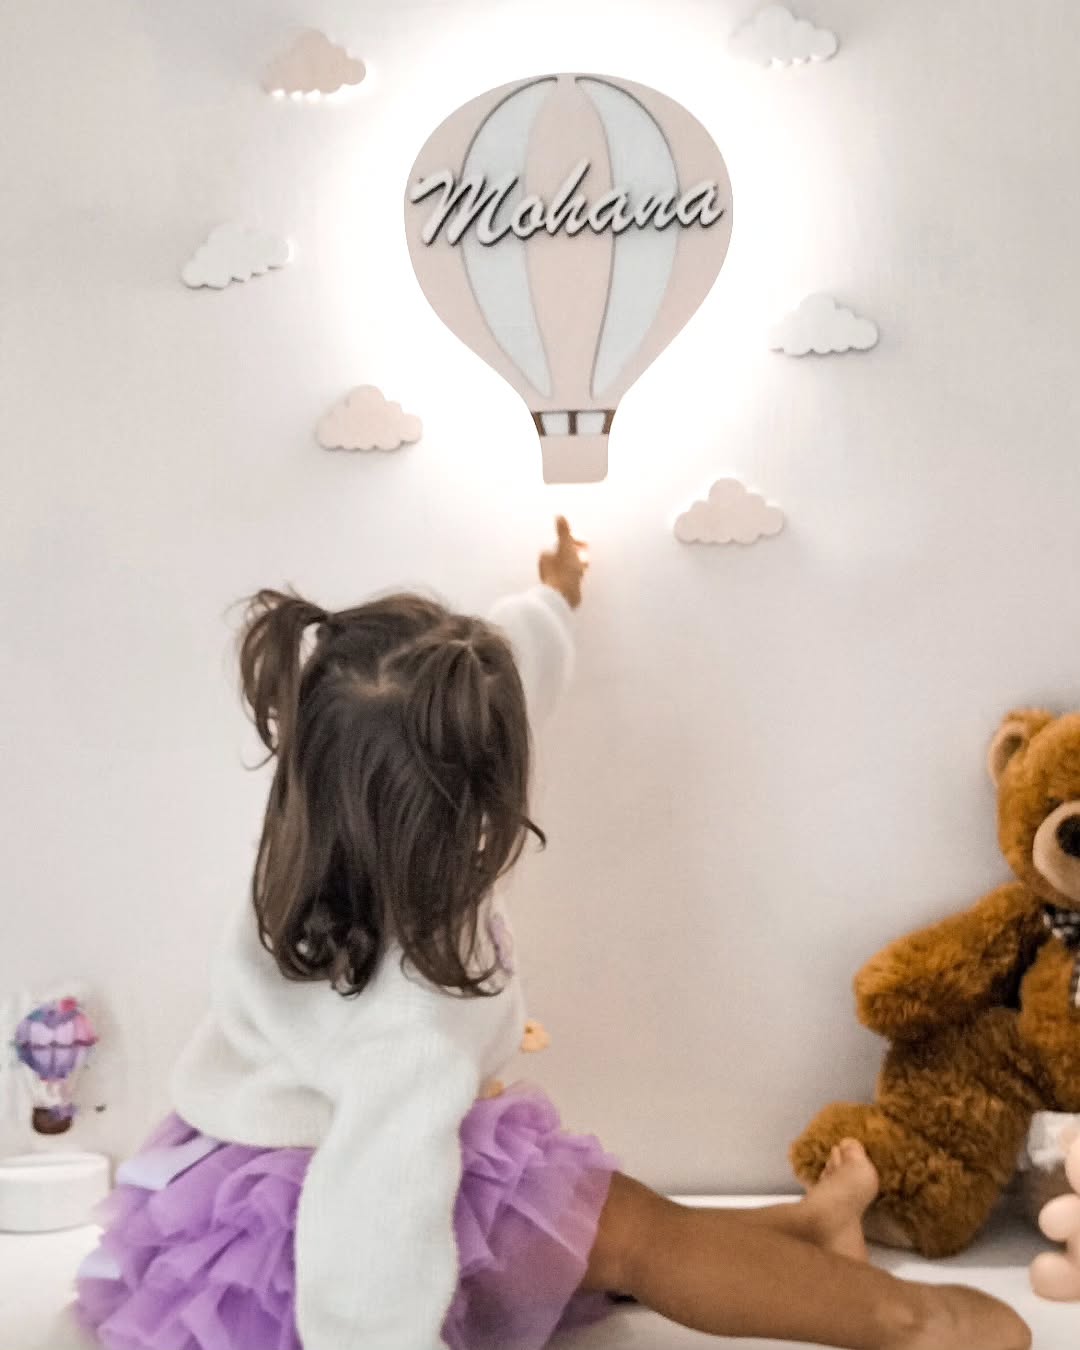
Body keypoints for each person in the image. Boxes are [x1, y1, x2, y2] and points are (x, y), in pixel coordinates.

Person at [75, 520, 1031, 1350]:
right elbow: (373, 1215)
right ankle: (911, 1321)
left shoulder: (326, 820)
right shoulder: (405, 1021)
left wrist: (551, 599)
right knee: (638, 1235)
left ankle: (803, 1231)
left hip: (233, 1166)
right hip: (327, 1234)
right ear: (477, 800)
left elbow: (504, 677)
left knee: (591, 1220)